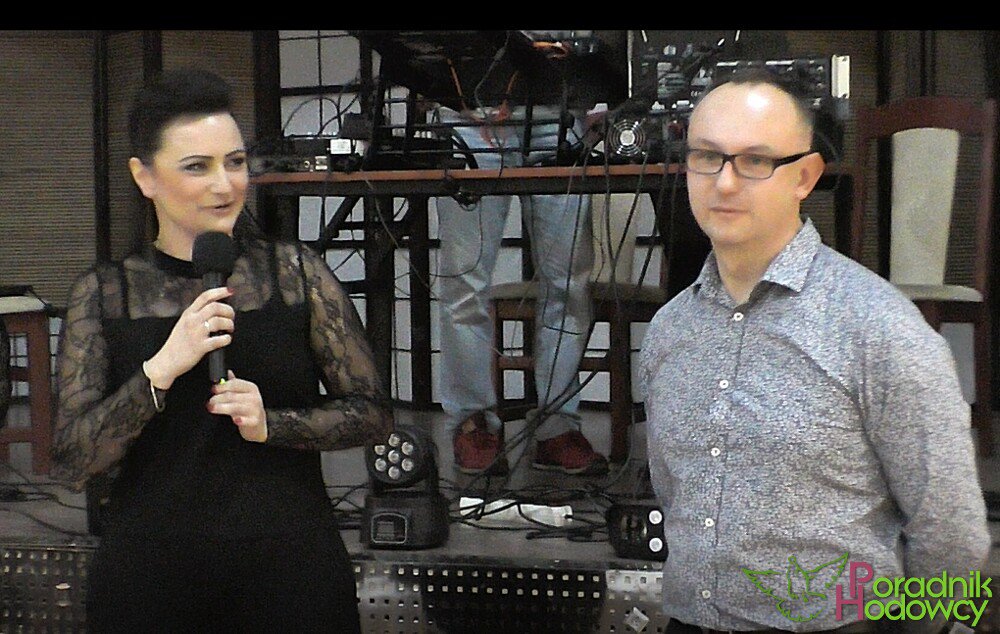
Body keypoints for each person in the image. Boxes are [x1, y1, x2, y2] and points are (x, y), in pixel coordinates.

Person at [638, 69, 991, 633]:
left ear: (805, 176)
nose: (724, 183)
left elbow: (953, 534)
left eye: (755, 161)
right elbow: (675, 495)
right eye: (707, 156)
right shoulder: (669, 330)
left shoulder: (879, 328)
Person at [51, 68, 393, 633]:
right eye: (197, 167)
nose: (224, 184)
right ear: (144, 177)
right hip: (150, 572)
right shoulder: (107, 293)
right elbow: (72, 460)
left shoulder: (295, 275)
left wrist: (273, 424)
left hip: (290, 562)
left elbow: (373, 414)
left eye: (234, 162)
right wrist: (160, 371)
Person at [434, 54, 609, 477]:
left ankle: (557, 426)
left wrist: (603, 98)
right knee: (464, 283)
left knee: (568, 283)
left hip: (560, 108)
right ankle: (473, 421)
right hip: (468, 109)